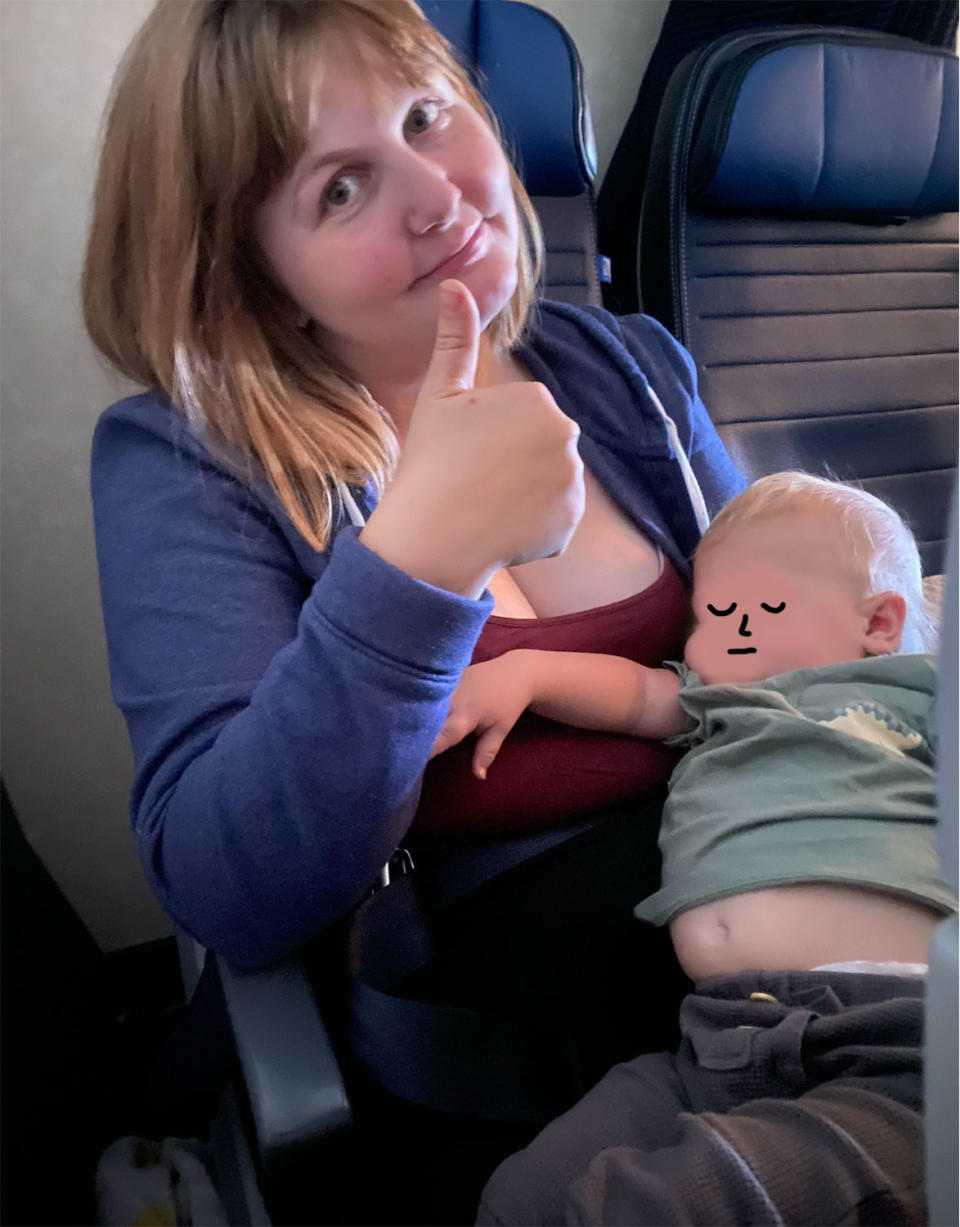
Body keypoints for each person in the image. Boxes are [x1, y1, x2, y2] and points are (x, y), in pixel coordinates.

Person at [84, 2, 743, 1209]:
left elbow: (780, 648)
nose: (438, 196)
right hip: (547, 1079)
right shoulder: (190, 462)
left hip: (784, 934)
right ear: (249, 268)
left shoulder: (631, 368)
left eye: (428, 115)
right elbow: (231, 888)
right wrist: (419, 562)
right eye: (340, 188)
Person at [429, 472, 955, 1225]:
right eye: (711, 613)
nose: (724, 632)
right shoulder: (717, 703)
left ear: (878, 624)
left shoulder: (914, 692)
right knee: (528, 1193)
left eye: (762, 608)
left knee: (659, 1205)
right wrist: (528, 672)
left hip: (905, 1042)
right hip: (720, 1040)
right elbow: (637, 693)